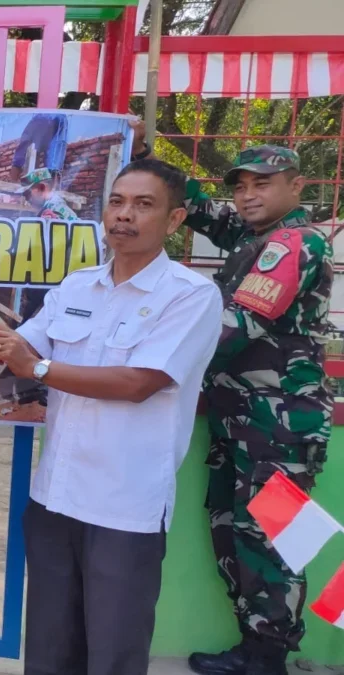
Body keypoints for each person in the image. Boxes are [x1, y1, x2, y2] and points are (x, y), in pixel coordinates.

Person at [0, 158, 224, 675]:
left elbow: (140, 383)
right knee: (50, 650)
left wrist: (42, 368)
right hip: (55, 499)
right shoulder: (78, 286)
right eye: (117, 202)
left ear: (176, 220)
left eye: (143, 205)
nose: (124, 216)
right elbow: (22, 345)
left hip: (124, 509)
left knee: (113, 653)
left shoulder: (190, 296)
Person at [184, 146, 334, 675]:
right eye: (241, 185)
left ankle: (267, 656)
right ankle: (253, 645)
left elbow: (237, 327)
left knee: (271, 538)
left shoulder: (294, 243)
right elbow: (200, 208)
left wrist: (153, 365)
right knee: (234, 528)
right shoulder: (256, 238)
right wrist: (139, 151)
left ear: (296, 188)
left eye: (263, 184)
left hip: (279, 425)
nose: (248, 195)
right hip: (244, 419)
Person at [8, 113, 68, 184]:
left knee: (50, 164)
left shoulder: (56, 120)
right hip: (45, 118)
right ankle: (21, 183)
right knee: (32, 154)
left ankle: (29, 184)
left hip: (51, 119)